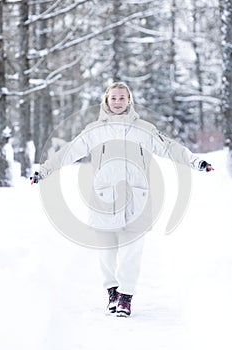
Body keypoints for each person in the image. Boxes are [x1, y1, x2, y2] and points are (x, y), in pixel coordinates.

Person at [30, 82, 214, 317]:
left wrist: (196, 162)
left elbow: (170, 148)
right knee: (106, 253)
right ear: (106, 101)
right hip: (104, 198)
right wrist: (43, 171)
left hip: (137, 199)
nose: (117, 102)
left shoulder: (144, 129)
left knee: (132, 252)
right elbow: (68, 152)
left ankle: (126, 297)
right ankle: (112, 292)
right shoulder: (94, 130)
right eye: (113, 98)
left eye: (122, 98)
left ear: (129, 100)